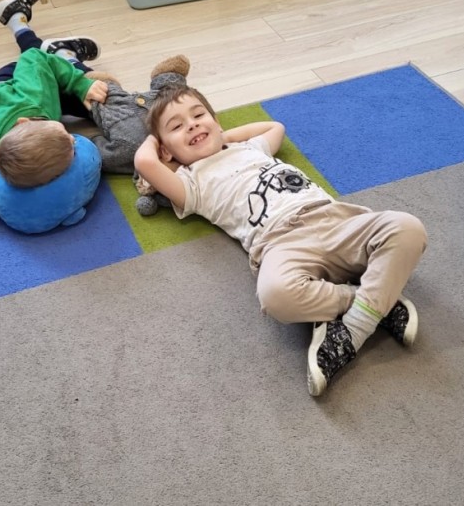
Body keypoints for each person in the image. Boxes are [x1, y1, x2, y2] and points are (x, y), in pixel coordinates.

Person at [134, 85, 427, 397]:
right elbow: (144, 162)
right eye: (177, 126)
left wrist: (221, 134)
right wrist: (158, 143)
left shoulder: (250, 148)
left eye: (198, 115)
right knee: (275, 296)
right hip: (280, 242)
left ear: (215, 120)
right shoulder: (190, 182)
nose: (192, 125)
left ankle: (355, 320)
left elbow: (275, 127)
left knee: (408, 228)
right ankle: (370, 306)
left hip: (334, 219)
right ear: (166, 152)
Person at [0, 0, 108, 190]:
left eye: (65, 134)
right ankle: (63, 52)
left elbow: (33, 57)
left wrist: (81, 85)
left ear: (25, 121)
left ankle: (23, 25)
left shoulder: (34, 96)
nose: (73, 138)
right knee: (95, 105)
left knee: (96, 92)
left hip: (6, 84)